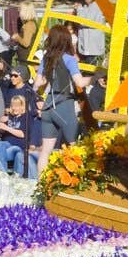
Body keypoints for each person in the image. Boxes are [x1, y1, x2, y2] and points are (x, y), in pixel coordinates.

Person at [34, 24, 88, 172]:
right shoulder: (69, 59)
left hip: (48, 105)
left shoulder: (46, 59)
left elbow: (38, 83)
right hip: (64, 105)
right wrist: (95, 77)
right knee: (75, 147)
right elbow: (80, 82)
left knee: (45, 151)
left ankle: (41, 182)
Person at [0, 91, 37, 176]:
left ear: (23, 106)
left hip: (18, 147)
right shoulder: (11, 117)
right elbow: (3, 133)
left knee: (1, 146)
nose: (14, 108)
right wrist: (1, 129)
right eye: (13, 106)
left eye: (17, 106)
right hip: (6, 144)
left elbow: (22, 134)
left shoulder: (27, 117)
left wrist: (7, 128)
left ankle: (0, 173)